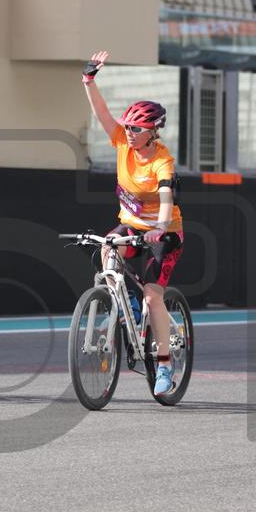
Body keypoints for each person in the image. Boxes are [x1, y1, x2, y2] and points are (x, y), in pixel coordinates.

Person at [82, 50, 183, 396]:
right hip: (131, 226)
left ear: (152, 132)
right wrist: (88, 80)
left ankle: (165, 365)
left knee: (154, 298)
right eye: (127, 127)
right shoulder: (123, 145)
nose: (128, 132)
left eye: (136, 128)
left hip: (164, 234)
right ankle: (127, 307)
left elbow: (167, 198)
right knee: (107, 250)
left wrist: (161, 225)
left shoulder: (162, 161)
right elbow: (103, 115)